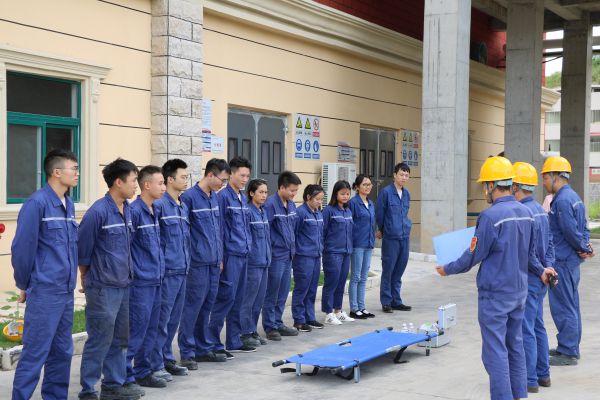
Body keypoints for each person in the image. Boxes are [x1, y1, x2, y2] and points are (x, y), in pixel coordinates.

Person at [435, 156, 554, 400]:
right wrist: (541, 270)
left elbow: (473, 255)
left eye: (485, 185)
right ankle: (519, 395)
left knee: (495, 352)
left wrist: (448, 269)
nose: (484, 191)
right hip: (519, 293)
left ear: (491, 185)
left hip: (496, 295)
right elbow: (530, 254)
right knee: (515, 346)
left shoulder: (490, 217)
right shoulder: (526, 213)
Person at [11, 149, 79, 400]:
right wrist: (24, 283)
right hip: (45, 291)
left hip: (65, 291)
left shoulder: (68, 204)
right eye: (74, 168)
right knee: (35, 352)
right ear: (57, 172)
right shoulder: (37, 203)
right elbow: (22, 247)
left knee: (62, 351)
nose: (77, 173)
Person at [78, 158, 144, 400]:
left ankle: (113, 385)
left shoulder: (128, 210)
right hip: (103, 287)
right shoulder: (98, 212)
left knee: (120, 339)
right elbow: (83, 250)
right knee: (100, 339)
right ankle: (88, 389)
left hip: (123, 284)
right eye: (133, 180)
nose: (136, 185)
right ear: (118, 182)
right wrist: (85, 276)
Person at [541, 156, 595, 366]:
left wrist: (583, 247)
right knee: (571, 305)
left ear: (555, 176)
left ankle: (568, 351)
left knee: (563, 307)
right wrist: (585, 246)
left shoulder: (562, 200)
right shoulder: (574, 197)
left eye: (545, 177)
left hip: (562, 261)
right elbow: (583, 228)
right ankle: (569, 346)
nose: (544, 182)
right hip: (570, 261)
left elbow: (570, 231)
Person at [178, 158, 230, 365]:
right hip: (197, 263)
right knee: (192, 307)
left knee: (207, 306)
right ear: (210, 175)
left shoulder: (214, 197)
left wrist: (220, 257)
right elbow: (184, 233)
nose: (223, 184)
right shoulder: (189, 198)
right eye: (222, 180)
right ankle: (187, 351)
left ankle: (202, 347)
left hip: (214, 262)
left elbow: (219, 230)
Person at [512, 162, 557, 392]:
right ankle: (543, 374)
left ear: (515, 186)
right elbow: (550, 244)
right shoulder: (541, 210)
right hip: (541, 279)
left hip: (530, 278)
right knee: (538, 326)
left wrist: (540, 270)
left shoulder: (522, 212)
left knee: (526, 329)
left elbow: (526, 251)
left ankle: (530, 380)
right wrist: (547, 268)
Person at [207, 156, 254, 358]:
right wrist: (221, 257)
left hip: (243, 254)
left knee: (239, 299)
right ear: (231, 174)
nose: (245, 179)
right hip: (230, 256)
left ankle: (234, 340)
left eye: (247, 176)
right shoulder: (222, 197)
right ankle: (213, 342)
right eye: (241, 175)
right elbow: (219, 230)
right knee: (225, 299)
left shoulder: (242, 197)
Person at [126, 166, 167, 389]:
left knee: (151, 329)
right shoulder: (134, 212)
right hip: (140, 282)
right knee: (136, 330)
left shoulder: (156, 209)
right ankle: (124, 376)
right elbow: (127, 248)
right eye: (160, 183)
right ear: (147, 185)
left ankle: (143, 371)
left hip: (156, 278)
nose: (164, 187)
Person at [152, 159, 191, 381]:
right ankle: (155, 363)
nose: (186, 181)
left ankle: (167, 358)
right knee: (162, 320)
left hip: (182, 270)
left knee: (174, 320)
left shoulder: (182, 205)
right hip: (167, 272)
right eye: (183, 177)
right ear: (170, 179)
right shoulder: (159, 205)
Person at [262, 171, 302, 341]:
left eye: (296, 190)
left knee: (283, 291)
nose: (294, 194)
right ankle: (270, 326)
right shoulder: (270, 205)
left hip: (288, 254)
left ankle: (278, 322)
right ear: (282, 187)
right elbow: (266, 231)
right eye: (292, 190)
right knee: (273, 291)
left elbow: (293, 228)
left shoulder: (291, 205)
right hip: (276, 255)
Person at [375, 162, 412, 313]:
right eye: (401, 174)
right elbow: (380, 213)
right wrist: (382, 229)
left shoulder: (407, 194)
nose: (404, 177)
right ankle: (386, 301)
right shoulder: (386, 193)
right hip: (391, 236)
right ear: (395, 175)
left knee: (399, 269)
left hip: (404, 236)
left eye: (406, 175)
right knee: (388, 269)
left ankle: (396, 300)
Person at [240, 179, 272, 347]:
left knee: (258, 300)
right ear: (251, 193)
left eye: (266, 192)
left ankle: (252, 329)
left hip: (264, 262)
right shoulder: (248, 212)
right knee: (248, 300)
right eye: (261, 192)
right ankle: (244, 332)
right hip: (253, 263)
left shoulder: (263, 211)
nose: (264, 195)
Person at [292, 184, 325, 332]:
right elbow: (294, 234)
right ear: (308, 197)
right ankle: (299, 320)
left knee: (312, 288)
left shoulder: (318, 213)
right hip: (303, 257)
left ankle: (309, 317)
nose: (320, 202)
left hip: (316, 256)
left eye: (322, 199)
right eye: (317, 199)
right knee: (302, 288)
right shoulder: (300, 213)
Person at [321, 180, 354, 325]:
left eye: (347, 194)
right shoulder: (328, 211)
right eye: (342, 194)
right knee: (331, 282)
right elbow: (322, 232)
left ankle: (338, 311)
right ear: (335, 194)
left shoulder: (348, 211)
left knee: (341, 283)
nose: (345, 196)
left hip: (346, 252)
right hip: (332, 252)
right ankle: (328, 313)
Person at [347, 175, 376, 319]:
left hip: (368, 244)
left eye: (369, 184)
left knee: (364, 277)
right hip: (357, 244)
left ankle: (361, 307)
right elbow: (349, 224)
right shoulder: (353, 203)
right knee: (356, 276)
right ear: (357, 187)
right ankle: (354, 308)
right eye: (364, 184)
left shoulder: (370, 203)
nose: (368, 187)